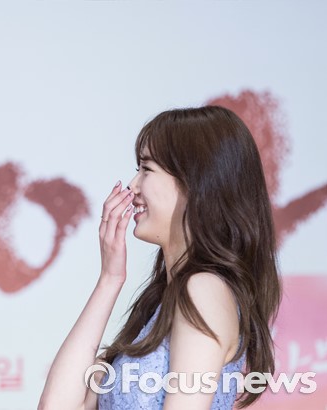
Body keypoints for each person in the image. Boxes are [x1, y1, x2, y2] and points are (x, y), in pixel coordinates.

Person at [39, 106, 281, 409]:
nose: (133, 186)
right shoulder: (159, 305)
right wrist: (109, 280)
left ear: (193, 182)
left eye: (146, 169)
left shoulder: (203, 289)